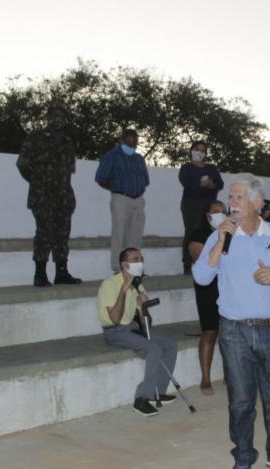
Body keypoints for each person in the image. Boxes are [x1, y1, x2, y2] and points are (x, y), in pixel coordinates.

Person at [192, 173, 270, 469]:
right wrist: (220, 241)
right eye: (231, 197)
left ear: (258, 203)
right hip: (234, 332)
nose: (232, 203)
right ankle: (244, 453)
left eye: (239, 197)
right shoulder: (221, 234)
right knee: (241, 401)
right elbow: (201, 278)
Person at [97, 247, 178, 416]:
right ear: (124, 265)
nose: (140, 262)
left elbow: (146, 324)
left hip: (133, 328)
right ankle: (141, 398)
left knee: (170, 345)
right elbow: (115, 319)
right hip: (115, 331)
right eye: (135, 259)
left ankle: (158, 392)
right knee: (153, 349)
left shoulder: (138, 284)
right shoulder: (109, 284)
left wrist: (143, 307)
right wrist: (124, 291)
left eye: (141, 258)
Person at [16, 103, 82, 287]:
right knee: (44, 233)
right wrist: (37, 182)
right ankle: (40, 274)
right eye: (54, 116)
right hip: (41, 195)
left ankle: (62, 272)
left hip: (64, 195)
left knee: (62, 234)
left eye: (61, 117)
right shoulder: (35, 138)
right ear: (48, 118)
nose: (57, 120)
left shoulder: (68, 142)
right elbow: (22, 164)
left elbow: (69, 170)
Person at [95, 129, 150, 273]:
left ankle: (135, 267)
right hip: (120, 198)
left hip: (138, 200)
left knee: (136, 235)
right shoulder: (111, 156)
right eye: (129, 143)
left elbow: (145, 180)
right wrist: (116, 188)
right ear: (122, 141)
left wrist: (139, 190)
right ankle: (117, 267)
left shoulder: (139, 159)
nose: (132, 146)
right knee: (119, 233)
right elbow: (100, 178)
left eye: (135, 144)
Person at [188, 200, 227, 395]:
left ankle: (231, 374)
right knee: (210, 332)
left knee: (229, 332)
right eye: (216, 211)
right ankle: (205, 378)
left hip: (227, 288)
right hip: (207, 289)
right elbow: (200, 260)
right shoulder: (198, 235)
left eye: (223, 211)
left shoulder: (233, 232)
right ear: (207, 215)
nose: (220, 214)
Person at [179, 141, 224, 274]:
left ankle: (210, 261)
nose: (199, 152)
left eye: (202, 150)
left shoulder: (211, 168)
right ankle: (188, 263)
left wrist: (212, 185)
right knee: (191, 231)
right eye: (197, 149)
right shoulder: (186, 168)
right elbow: (187, 183)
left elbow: (220, 184)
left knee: (210, 232)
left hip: (209, 204)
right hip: (191, 204)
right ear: (191, 150)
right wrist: (202, 185)